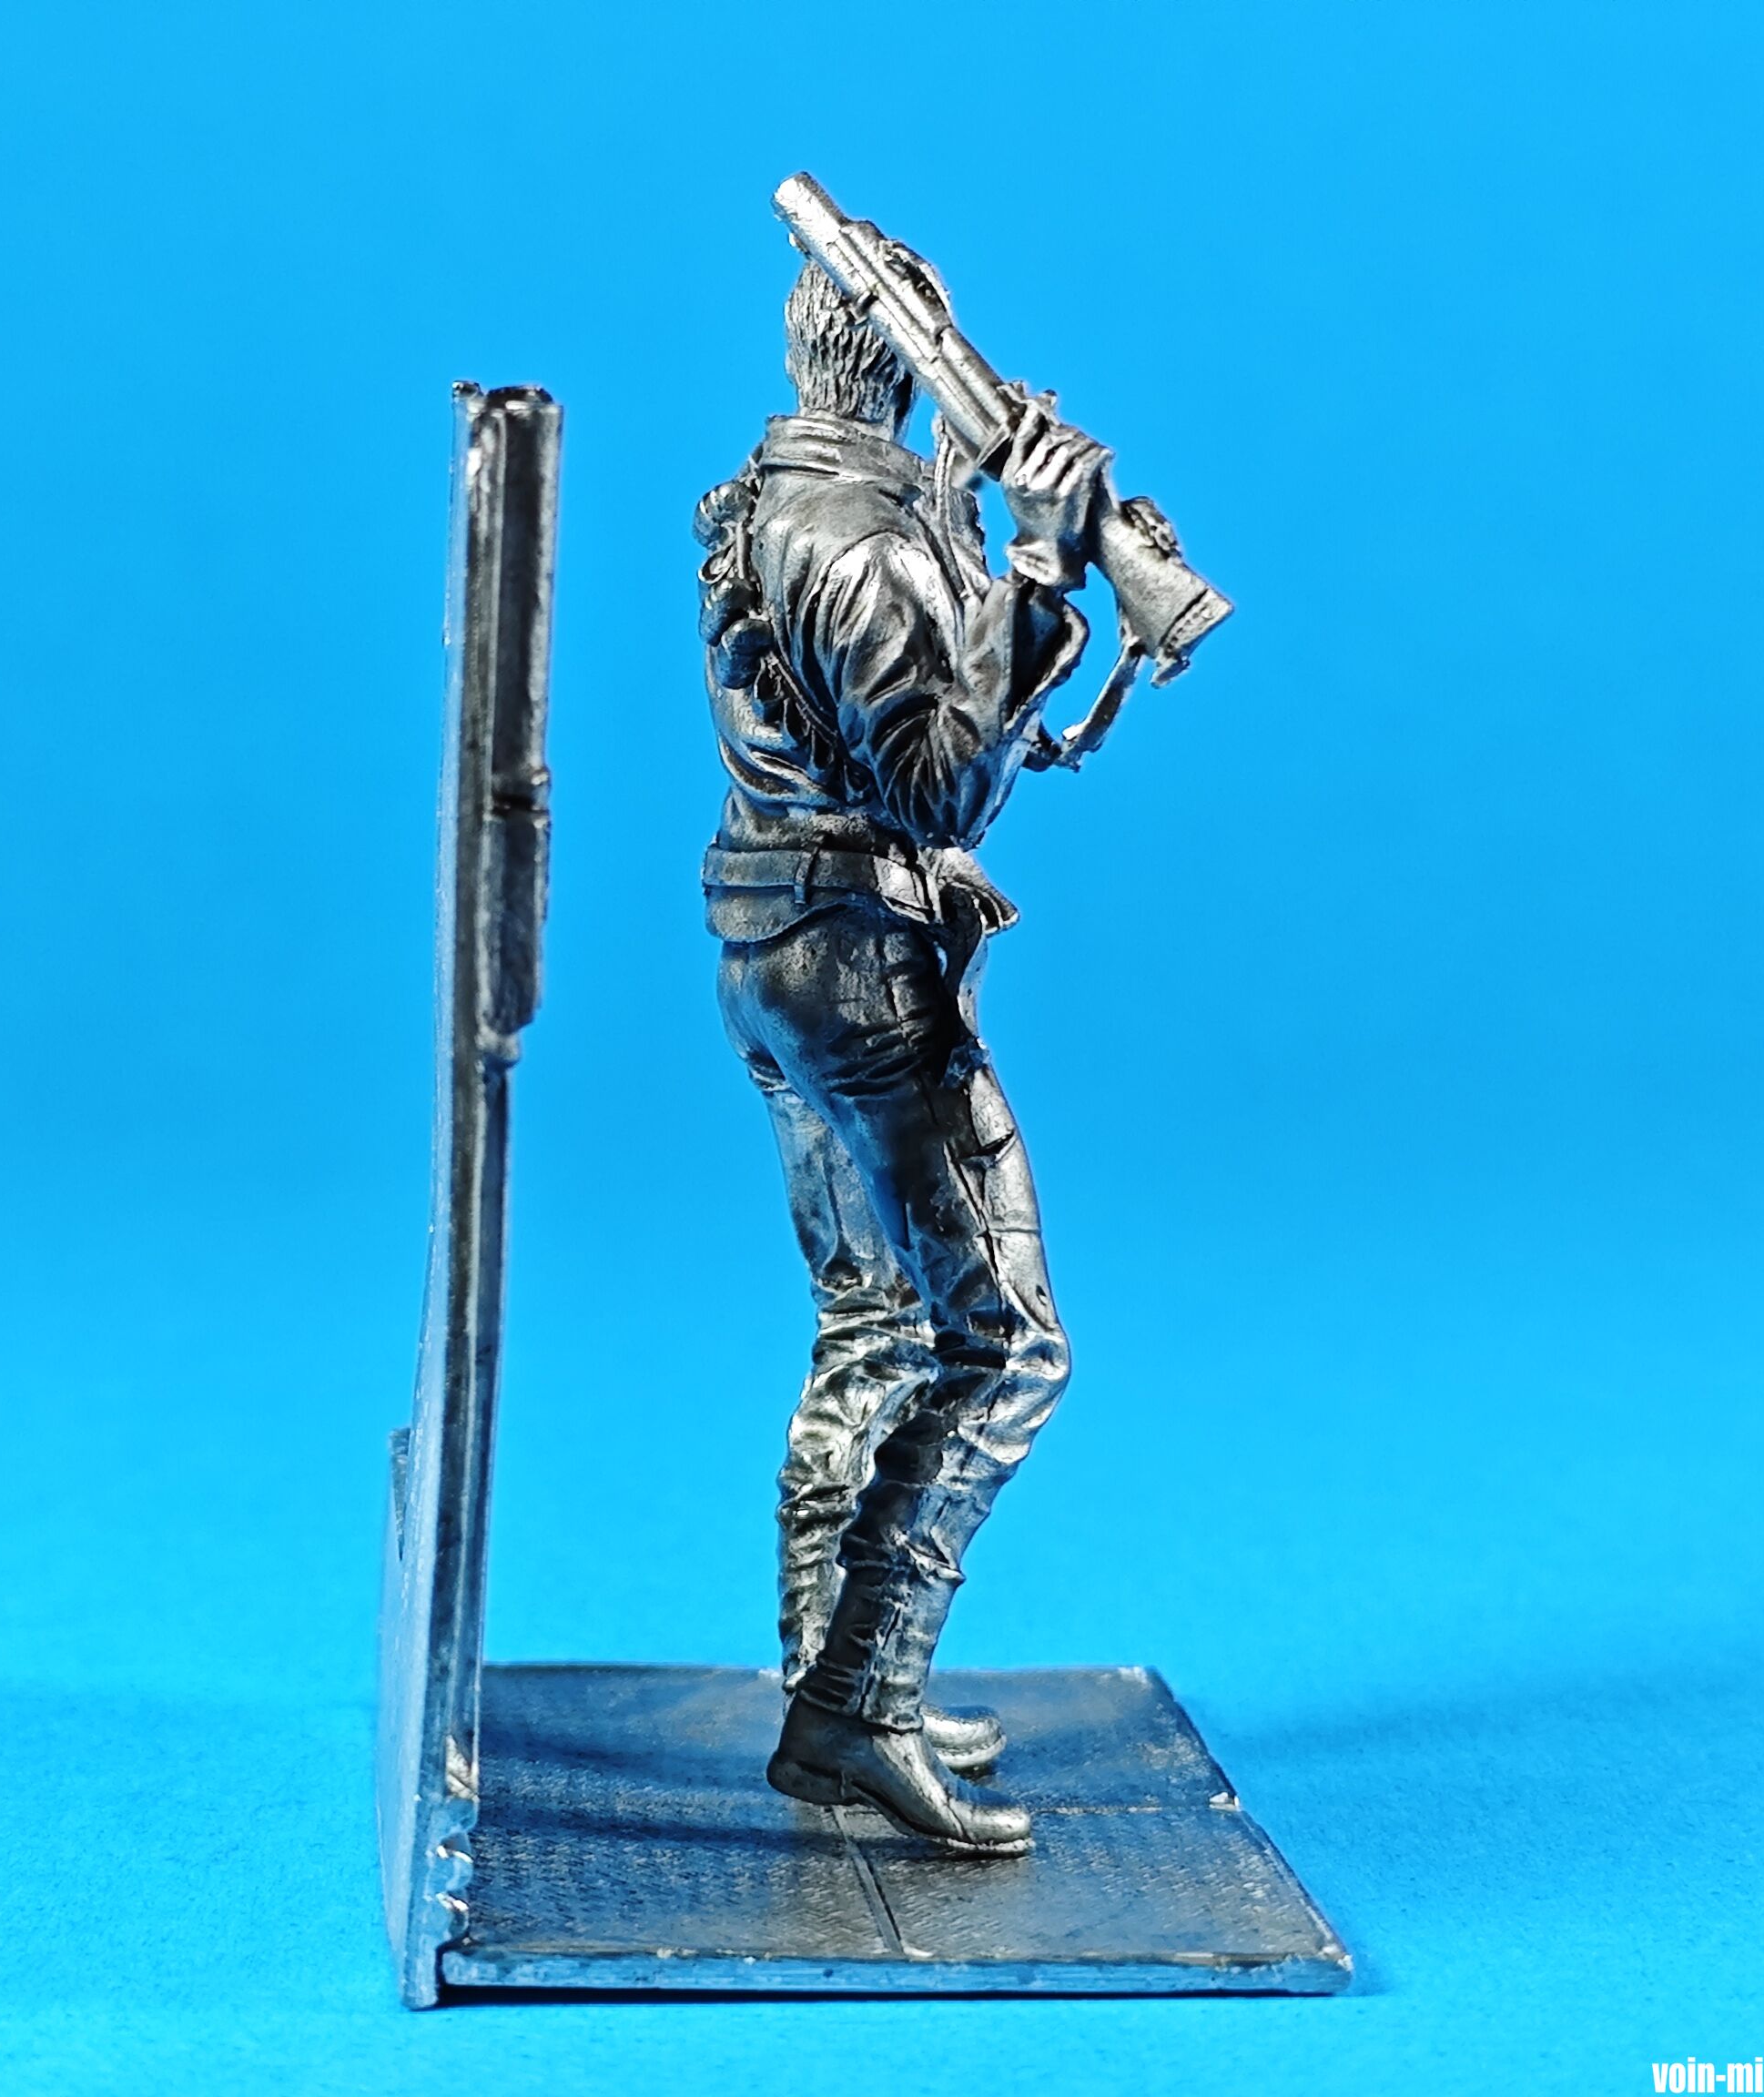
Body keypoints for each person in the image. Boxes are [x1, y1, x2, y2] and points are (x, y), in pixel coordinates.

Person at [694, 245, 1110, 1854]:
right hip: (861, 962)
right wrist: (1040, 582)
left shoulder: (769, 498)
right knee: (1004, 1347)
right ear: (902, 356)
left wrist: (979, 541)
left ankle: (834, 1674)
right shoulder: (859, 532)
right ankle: (857, 1707)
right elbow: (938, 790)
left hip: (771, 940)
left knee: (871, 1323)